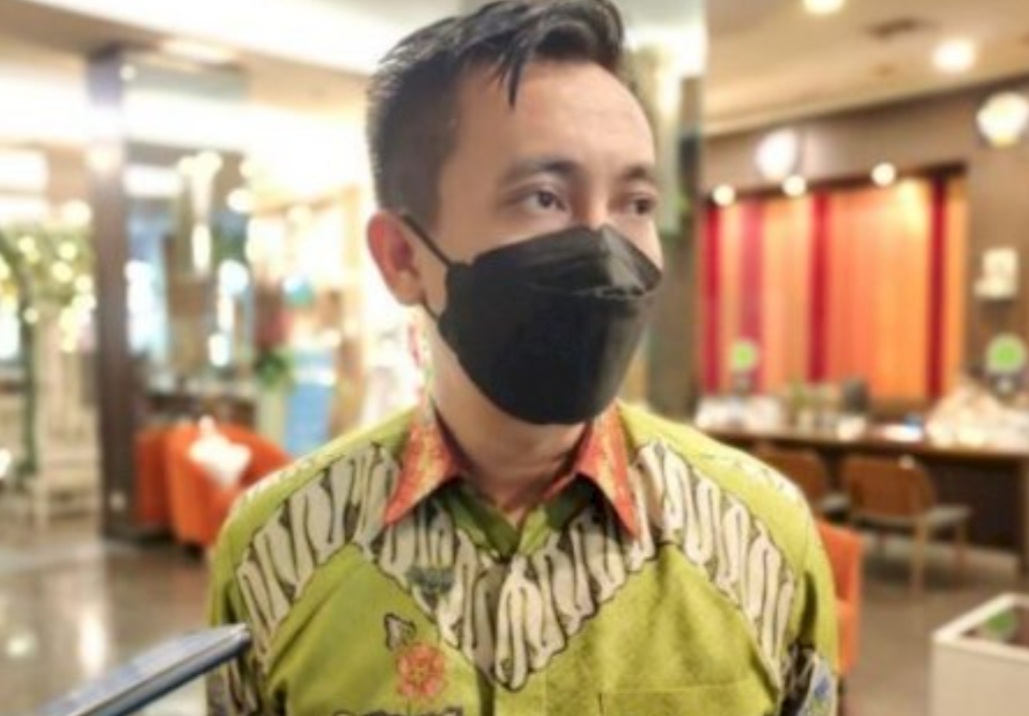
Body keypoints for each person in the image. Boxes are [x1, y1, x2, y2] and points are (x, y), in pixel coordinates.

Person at [207, 2, 838, 715]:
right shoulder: (275, 549)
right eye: (543, 197)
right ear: (403, 257)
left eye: (635, 202)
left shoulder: (762, 535)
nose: (605, 248)